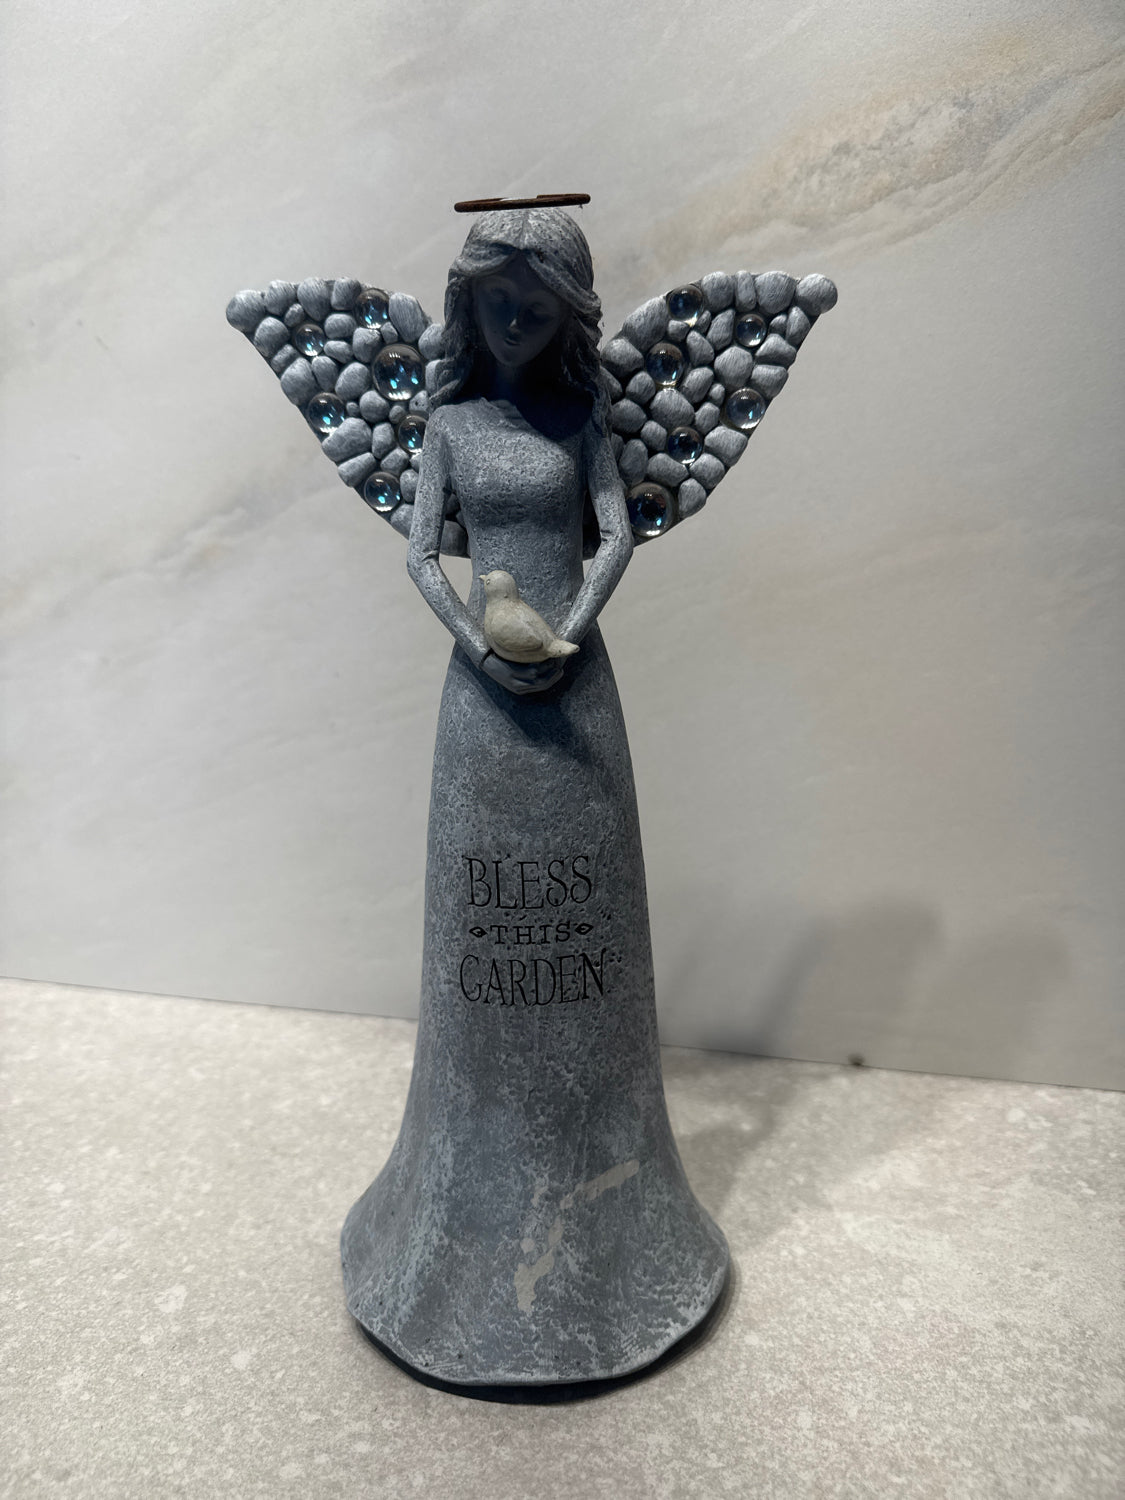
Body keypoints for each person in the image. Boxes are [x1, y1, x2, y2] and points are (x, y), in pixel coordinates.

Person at [342, 208, 728, 1387]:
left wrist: (568, 630)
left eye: (537, 302)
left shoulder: (580, 421)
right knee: (480, 941)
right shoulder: (450, 425)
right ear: (466, 307)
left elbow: (614, 536)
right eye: (495, 300)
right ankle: (446, 1235)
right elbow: (422, 555)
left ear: (569, 312)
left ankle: (621, 1235)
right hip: (483, 711)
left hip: (573, 695)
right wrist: (479, 643)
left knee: (588, 938)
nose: (515, 319)